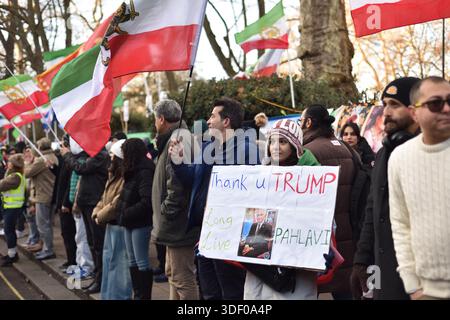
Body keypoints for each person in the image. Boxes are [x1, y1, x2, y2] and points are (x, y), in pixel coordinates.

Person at [169, 97, 260, 300]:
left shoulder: (246, 150)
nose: (208, 121)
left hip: (230, 234)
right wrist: (178, 161)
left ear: (226, 121)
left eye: (212, 116)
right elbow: (193, 179)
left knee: (231, 292)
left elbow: (250, 194)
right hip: (207, 233)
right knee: (209, 292)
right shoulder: (209, 148)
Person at [351, 77, 420, 300]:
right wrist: (361, 260)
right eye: (385, 105)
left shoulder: (431, 154)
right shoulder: (382, 155)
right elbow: (373, 210)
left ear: (415, 109)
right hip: (382, 270)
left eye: (395, 104)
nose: (386, 112)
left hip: (420, 275)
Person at [388, 76, 450, 300]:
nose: (446, 108)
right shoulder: (400, 158)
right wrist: (412, 285)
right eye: (435, 103)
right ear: (415, 113)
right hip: (427, 292)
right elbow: (400, 224)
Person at [243, 119, 319, 300]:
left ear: (295, 146)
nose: (276, 147)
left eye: (283, 142)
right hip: (260, 265)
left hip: (295, 265)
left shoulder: (312, 178)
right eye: (272, 141)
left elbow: (321, 218)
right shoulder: (261, 176)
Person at [300, 104, 355, 299]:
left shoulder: (306, 153)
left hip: (321, 237)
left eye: (301, 121)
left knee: (314, 288)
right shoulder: (347, 148)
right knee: (345, 289)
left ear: (308, 122)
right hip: (349, 233)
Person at [151, 100, 200, 300]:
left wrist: (166, 212)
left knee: (183, 277)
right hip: (175, 223)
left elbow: (177, 186)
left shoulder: (178, 140)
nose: (155, 123)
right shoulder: (178, 137)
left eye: (155, 119)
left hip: (178, 224)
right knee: (173, 273)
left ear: (161, 119)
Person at [60, 140, 109, 294]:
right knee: (92, 243)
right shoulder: (91, 154)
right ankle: (97, 276)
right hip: (87, 203)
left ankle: (101, 280)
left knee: (98, 244)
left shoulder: (100, 156)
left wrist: (67, 154)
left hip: (94, 203)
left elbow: (80, 168)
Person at [92, 139, 132, 300]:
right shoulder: (113, 175)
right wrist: (97, 213)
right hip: (109, 225)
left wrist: (99, 216)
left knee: (119, 267)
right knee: (109, 263)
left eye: (112, 155)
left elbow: (116, 203)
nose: (110, 158)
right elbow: (104, 198)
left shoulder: (125, 178)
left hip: (119, 226)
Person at [117, 138, 155, 300]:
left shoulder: (144, 171)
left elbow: (146, 201)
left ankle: (143, 296)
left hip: (140, 223)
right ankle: (137, 294)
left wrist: (126, 213)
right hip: (129, 222)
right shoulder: (133, 170)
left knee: (141, 262)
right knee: (132, 261)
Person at [24, 138, 59, 261]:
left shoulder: (40, 160)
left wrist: (28, 162)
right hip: (51, 194)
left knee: (43, 225)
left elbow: (27, 173)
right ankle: (46, 247)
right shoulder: (54, 156)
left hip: (43, 195)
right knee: (47, 224)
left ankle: (48, 250)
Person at [0, 154, 26, 266]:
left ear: (14, 164)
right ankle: (12, 253)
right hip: (10, 207)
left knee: (9, 231)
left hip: (12, 207)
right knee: (9, 231)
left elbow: (2, 185)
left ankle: (12, 256)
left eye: (10, 162)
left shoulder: (15, 176)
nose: (8, 163)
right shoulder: (14, 175)